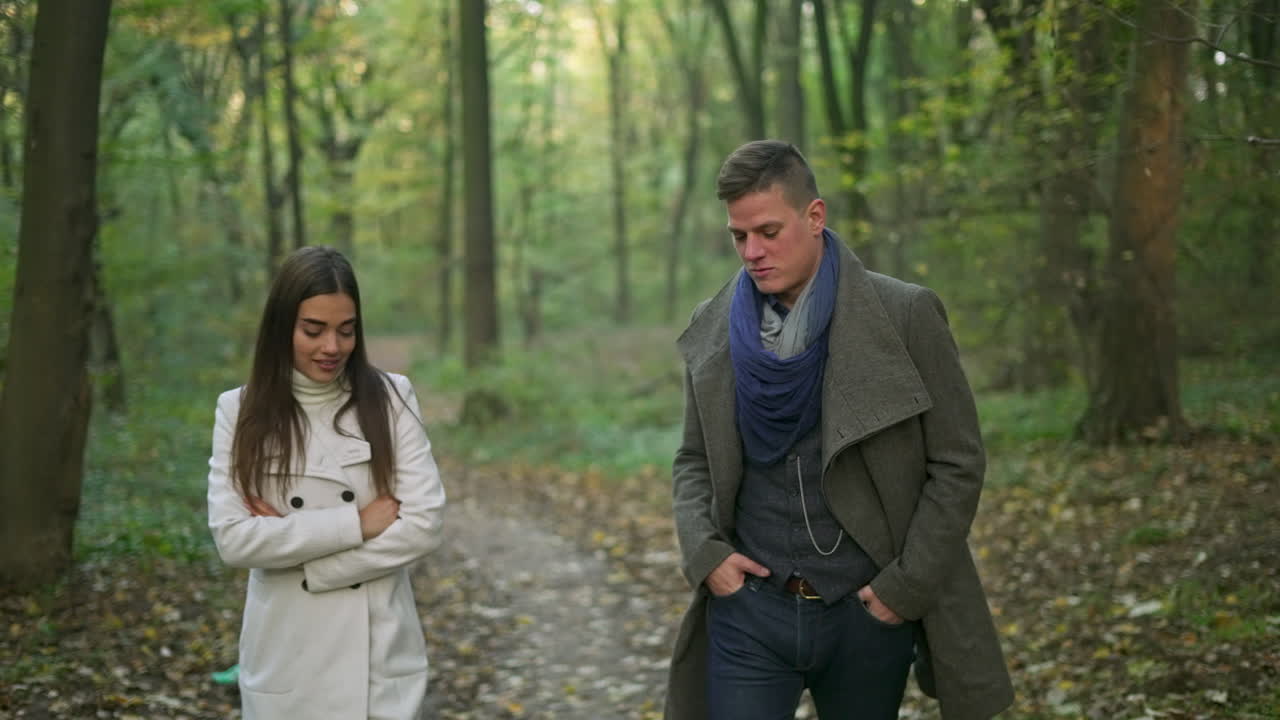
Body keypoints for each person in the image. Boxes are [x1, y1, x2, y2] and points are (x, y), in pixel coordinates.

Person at [664, 141, 1013, 720]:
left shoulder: (905, 314)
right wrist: (706, 554)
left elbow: (958, 462)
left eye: (769, 232)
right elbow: (694, 459)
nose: (752, 252)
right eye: (739, 236)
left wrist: (904, 588)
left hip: (865, 614)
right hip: (749, 612)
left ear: (815, 216)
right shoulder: (714, 325)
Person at [207, 246, 446, 720]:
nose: (332, 347)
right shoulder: (240, 411)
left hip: (378, 654)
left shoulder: (391, 397)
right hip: (286, 654)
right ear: (282, 327)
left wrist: (311, 566)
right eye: (313, 330)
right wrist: (357, 524)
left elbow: (424, 525)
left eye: (346, 330)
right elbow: (234, 539)